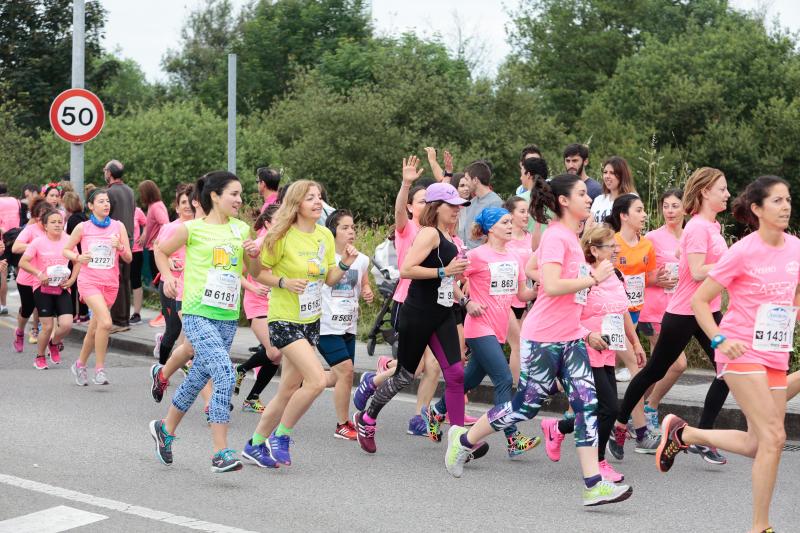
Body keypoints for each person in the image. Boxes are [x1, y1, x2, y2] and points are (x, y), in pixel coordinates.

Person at [443, 174, 633, 507]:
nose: (588, 199)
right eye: (581, 194)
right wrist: (591, 278)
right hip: (544, 337)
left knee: (587, 405)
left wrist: (569, 287)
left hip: (572, 335)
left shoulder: (569, 238)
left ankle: (592, 484)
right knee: (524, 407)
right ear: (563, 201)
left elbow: (532, 268)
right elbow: (553, 283)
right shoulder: (558, 236)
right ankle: (465, 439)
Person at [657, 176, 798, 533]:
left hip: (775, 352)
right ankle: (760, 527)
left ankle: (684, 435)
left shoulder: (796, 247)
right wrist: (719, 340)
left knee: (757, 444)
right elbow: (699, 301)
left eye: (788, 200)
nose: (786, 207)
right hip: (739, 348)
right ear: (757, 209)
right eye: (777, 201)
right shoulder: (743, 251)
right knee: (775, 438)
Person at [612, 167, 731, 465]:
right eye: (722, 189)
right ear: (705, 192)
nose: (727, 194)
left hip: (709, 309)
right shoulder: (697, 228)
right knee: (654, 370)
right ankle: (620, 424)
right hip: (684, 312)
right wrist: (733, 266)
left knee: (727, 370)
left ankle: (702, 437)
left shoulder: (712, 227)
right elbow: (697, 270)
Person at [242, 180, 359, 468]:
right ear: (297, 203)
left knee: (288, 390)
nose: (318, 202)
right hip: (284, 319)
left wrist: (343, 264)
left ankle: (255, 444)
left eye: (319, 197)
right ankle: (281, 435)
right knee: (317, 380)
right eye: (310, 198)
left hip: (311, 320)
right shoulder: (280, 235)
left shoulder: (324, 235)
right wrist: (283, 281)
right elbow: (258, 273)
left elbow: (329, 279)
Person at [149, 171, 259, 473]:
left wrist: (256, 254)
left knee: (198, 376)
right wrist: (170, 277)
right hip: (197, 312)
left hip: (226, 315)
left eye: (240, 194)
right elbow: (161, 251)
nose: (239, 200)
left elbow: (255, 272)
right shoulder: (191, 229)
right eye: (233, 194)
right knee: (224, 373)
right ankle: (220, 451)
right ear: (214, 196)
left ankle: (165, 429)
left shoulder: (241, 230)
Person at [353, 181, 469, 454]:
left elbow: (446, 274)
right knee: (404, 376)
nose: (457, 211)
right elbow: (406, 269)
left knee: (455, 373)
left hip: (442, 314)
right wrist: (444, 272)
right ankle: (367, 419)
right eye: (451, 206)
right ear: (436, 207)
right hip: (417, 313)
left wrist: (462, 294)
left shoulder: (449, 236)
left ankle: (460, 441)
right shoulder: (429, 233)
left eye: (459, 206)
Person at [426, 207, 539, 457]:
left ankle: (436, 411)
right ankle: (512, 438)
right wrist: (467, 302)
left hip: (498, 330)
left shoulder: (514, 257)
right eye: (504, 222)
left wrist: (542, 289)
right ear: (490, 228)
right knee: (503, 379)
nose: (510, 226)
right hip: (478, 328)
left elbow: (522, 295)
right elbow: (449, 280)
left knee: (470, 380)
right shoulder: (477, 256)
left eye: (511, 222)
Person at [539, 225, 643, 483]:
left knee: (598, 409)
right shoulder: (584, 276)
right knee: (608, 408)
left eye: (616, 246)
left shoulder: (616, 274)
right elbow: (570, 315)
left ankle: (558, 428)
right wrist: (588, 335)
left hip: (608, 350)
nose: (616, 250)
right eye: (611, 247)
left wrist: (636, 342)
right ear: (594, 250)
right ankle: (598, 462)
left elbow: (622, 311)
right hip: (584, 349)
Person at [390, 156, 444, 437]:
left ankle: (419, 417)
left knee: (434, 366)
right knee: (412, 367)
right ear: (412, 206)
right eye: (420, 201)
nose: (426, 205)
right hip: (406, 302)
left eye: (429, 201)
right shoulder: (407, 228)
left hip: (434, 306)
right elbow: (399, 211)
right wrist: (406, 184)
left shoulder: (437, 232)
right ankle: (373, 381)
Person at [64, 188, 132, 386]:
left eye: (108, 201)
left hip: (110, 284)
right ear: (91, 206)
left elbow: (128, 257)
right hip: (89, 281)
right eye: (101, 201)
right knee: (106, 322)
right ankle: (100, 370)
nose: (106, 204)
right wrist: (78, 257)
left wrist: (119, 246)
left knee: (95, 330)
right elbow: (65, 250)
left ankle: (79, 364)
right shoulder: (83, 228)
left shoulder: (118, 227)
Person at [318, 209, 375, 440]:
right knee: (347, 371)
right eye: (344, 227)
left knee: (339, 376)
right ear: (333, 231)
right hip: (325, 325)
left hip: (348, 325)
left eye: (352, 227)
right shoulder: (324, 256)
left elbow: (363, 282)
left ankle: (303, 386)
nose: (351, 232)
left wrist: (368, 291)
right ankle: (342, 424)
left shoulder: (361, 259)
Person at [638, 189, 685, 431]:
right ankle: (650, 408)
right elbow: (637, 274)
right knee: (677, 364)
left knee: (655, 367)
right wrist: (657, 280)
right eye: (666, 206)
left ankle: (628, 415)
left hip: (678, 311)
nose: (669, 211)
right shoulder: (652, 238)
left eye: (675, 206)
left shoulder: (690, 237)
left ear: (685, 208)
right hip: (653, 310)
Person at [234, 204, 281, 413]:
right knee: (275, 352)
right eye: (279, 220)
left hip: (278, 304)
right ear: (269, 223)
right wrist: (255, 287)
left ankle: (250, 394)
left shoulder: (284, 244)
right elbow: (238, 273)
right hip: (257, 302)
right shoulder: (258, 244)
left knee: (275, 354)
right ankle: (243, 373)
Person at [18, 209, 78, 369]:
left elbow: (78, 261)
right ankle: (40, 356)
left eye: (60, 222)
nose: (58, 225)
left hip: (62, 287)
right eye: (53, 222)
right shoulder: (38, 242)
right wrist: (39, 274)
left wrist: (72, 280)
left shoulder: (69, 240)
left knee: (66, 324)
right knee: (47, 326)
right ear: (45, 226)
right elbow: (23, 262)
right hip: (42, 288)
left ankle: (54, 343)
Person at [150, 184, 194, 368]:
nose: (187, 205)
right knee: (174, 329)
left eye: (190, 202)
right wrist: (168, 264)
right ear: (177, 208)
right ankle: (161, 368)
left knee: (190, 331)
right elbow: (157, 250)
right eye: (183, 202)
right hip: (172, 285)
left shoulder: (202, 227)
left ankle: (188, 365)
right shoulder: (170, 228)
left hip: (193, 286)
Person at [12, 199, 49, 351]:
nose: (44, 219)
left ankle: (47, 344)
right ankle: (20, 332)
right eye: (41, 215)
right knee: (27, 309)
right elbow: (15, 248)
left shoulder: (54, 229)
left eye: (47, 215)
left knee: (45, 310)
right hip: (27, 278)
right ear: (35, 216)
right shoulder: (30, 230)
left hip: (45, 278)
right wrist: (34, 246)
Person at [504, 195, 533, 386]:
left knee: (525, 344)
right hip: (505, 300)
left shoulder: (531, 238)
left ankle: (517, 384)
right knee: (518, 344)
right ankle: (517, 386)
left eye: (527, 211)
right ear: (511, 214)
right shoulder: (503, 239)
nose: (526, 215)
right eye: (522, 211)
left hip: (526, 298)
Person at [104, 160, 135, 333]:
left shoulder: (109, 193)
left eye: (105, 171)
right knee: (125, 281)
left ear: (109, 173)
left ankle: (119, 321)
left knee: (115, 280)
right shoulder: (129, 191)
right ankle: (124, 319)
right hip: (128, 240)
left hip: (115, 241)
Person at [138, 179, 170, 327]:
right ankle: (165, 312)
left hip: (155, 250)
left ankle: (166, 313)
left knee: (160, 282)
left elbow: (164, 224)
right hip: (153, 247)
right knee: (160, 282)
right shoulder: (156, 205)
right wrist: (146, 233)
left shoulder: (156, 207)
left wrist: (158, 241)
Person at [457, 161, 503, 249]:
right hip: (467, 256)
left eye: (467, 179)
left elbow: (495, 236)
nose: (466, 184)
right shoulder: (472, 202)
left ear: (475, 180)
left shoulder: (495, 203)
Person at [590, 156, 636, 223]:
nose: (607, 176)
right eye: (605, 172)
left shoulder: (631, 199)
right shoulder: (598, 200)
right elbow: (589, 225)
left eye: (612, 173)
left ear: (622, 176)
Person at [518, 157, 550, 248]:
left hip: (526, 251)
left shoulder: (518, 201)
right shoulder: (555, 198)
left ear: (528, 174)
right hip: (552, 248)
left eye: (521, 174)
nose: (520, 178)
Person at [0, 182, 21, 315]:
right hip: (18, 238)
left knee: (3, 272)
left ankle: (3, 305)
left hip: (2, 239)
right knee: (21, 272)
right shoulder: (16, 201)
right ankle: (25, 303)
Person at [130, 205, 147, 324]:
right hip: (120, 251)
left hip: (136, 251)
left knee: (136, 281)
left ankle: (136, 313)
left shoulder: (137, 211)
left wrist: (144, 235)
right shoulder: (117, 209)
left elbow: (146, 224)